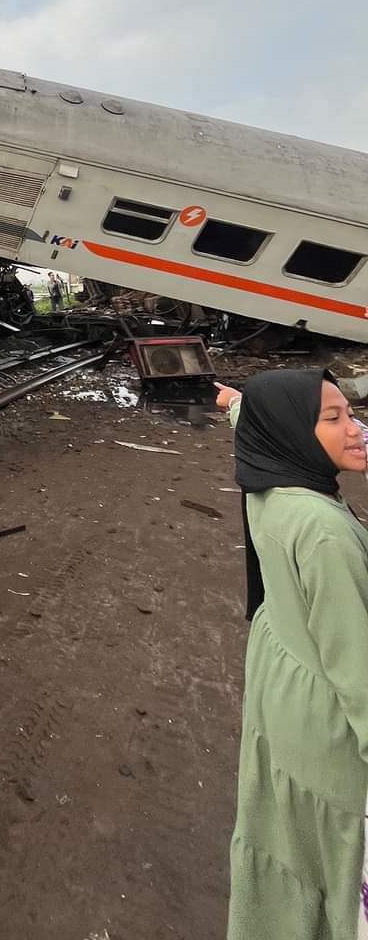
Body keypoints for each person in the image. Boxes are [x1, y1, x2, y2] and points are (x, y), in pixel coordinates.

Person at [216, 370, 368, 940]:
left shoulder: (268, 479)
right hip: (330, 722)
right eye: (335, 419)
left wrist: (235, 401)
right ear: (291, 433)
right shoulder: (325, 534)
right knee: (333, 866)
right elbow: (360, 675)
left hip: (283, 691)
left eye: (350, 414)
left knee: (289, 848)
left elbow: (247, 416)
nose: (355, 430)